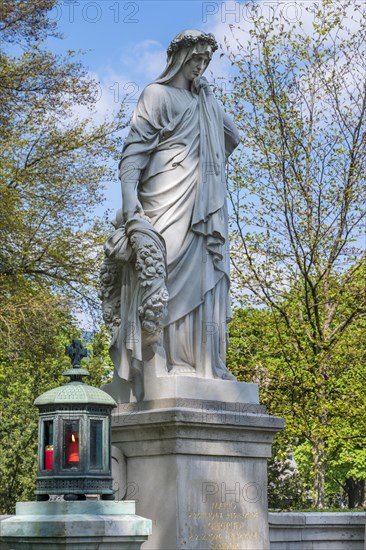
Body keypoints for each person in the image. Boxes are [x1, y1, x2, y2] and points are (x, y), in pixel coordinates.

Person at [101, 29, 240, 396]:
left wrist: (208, 99)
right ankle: (159, 360)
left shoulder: (204, 100)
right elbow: (134, 151)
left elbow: (231, 136)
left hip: (202, 200)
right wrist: (130, 201)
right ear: (180, 58)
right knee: (166, 272)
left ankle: (204, 363)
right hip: (165, 195)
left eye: (206, 61)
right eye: (196, 59)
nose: (201, 66)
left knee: (205, 272)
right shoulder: (156, 95)